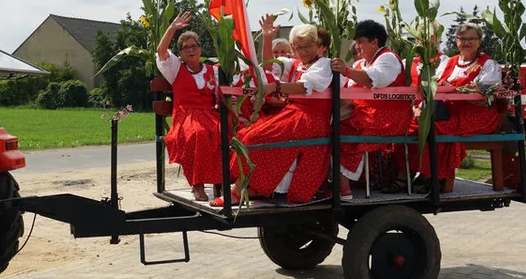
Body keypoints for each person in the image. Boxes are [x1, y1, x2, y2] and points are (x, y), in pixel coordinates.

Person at [216, 17, 333, 205]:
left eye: (307, 46)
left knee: (258, 138)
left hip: (311, 120)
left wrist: (275, 87)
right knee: (248, 135)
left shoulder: (324, 65)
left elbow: (304, 86)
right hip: (294, 114)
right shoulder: (296, 64)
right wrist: (267, 37)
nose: (303, 52)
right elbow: (269, 65)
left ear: (316, 44)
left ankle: (240, 191)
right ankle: (252, 187)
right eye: (298, 47)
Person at [412, 22, 503, 186]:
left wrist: (453, 90)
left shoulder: (488, 65)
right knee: (413, 125)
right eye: (463, 39)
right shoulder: (448, 62)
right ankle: (412, 172)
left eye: (472, 39)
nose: (467, 43)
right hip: (448, 112)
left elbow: (483, 98)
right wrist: (419, 107)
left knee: (436, 127)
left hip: (478, 115)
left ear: (479, 41)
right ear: (457, 41)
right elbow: (433, 88)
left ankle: (435, 176)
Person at [330, 19, 413, 197]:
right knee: (326, 126)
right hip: (365, 113)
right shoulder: (361, 64)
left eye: (360, 42)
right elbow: (348, 87)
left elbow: (372, 80)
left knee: (340, 130)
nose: (357, 46)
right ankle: (340, 179)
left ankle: (343, 185)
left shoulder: (388, 58)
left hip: (389, 116)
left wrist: (346, 70)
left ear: (374, 42)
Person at [156, 12, 222, 202]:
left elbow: (220, 96)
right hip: (186, 115)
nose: (191, 50)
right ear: (181, 53)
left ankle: (221, 183)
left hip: (210, 114)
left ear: (200, 49)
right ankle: (197, 184)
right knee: (197, 135)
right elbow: (162, 51)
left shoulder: (213, 71)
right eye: (185, 48)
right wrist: (172, 28)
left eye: (194, 46)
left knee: (224, 132)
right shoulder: (176, 68)